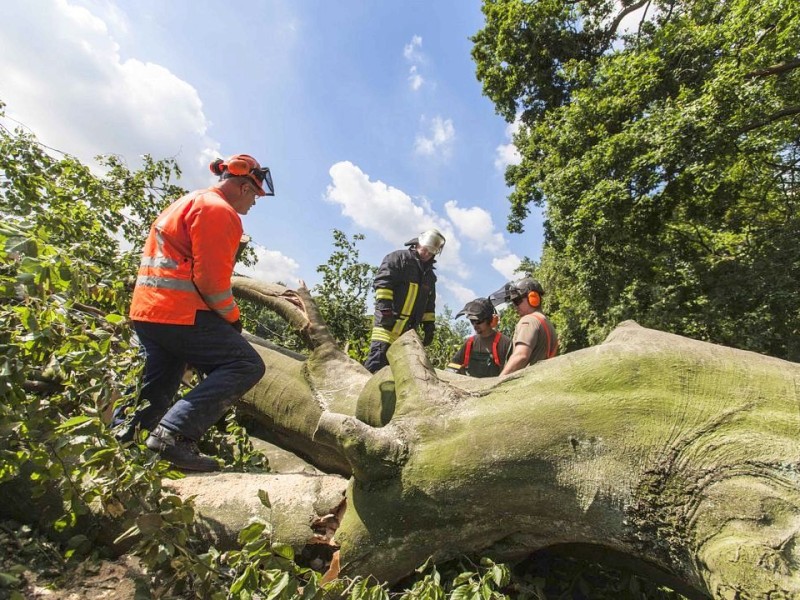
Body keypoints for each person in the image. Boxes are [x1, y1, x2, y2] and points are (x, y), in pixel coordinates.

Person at [115, 154, 274, 471]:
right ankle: (172, 436)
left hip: (149, 311)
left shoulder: (188, 201)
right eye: (255, 195)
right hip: (179, 312)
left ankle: (121, 447)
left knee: (157, 385)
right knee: (245, 363)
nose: (255, 203)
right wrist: (232, 317)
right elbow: (211, 281)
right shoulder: (219, 211)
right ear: (243, 187)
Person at [363, 229, 446, 373]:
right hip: (387, 326)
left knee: (400, 373)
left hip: (408, 332)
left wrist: (429, 327)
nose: (426, 254)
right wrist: (386, 311)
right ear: (418, 244)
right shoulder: (397, 259)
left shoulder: (430, 277)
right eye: (425, 249)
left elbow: (429, 305)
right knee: (375, 367)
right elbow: (383, 285)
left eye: (430, 252)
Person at [489, 277, 558, 377]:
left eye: (517, 301)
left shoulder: (528, 321)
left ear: (533, 297)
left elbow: (521, 356)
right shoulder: (546, 323)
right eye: (513, 302)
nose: (515, 306)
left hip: (527, 386)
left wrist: (496, 384)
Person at [446, 298, 512, 378]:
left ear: (489, 319)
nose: (475, 325)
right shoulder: (470, 343)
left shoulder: (504, 342)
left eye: (478, 321)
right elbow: (453, 365)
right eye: (472, 321)